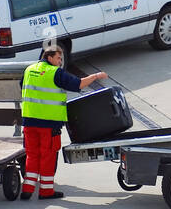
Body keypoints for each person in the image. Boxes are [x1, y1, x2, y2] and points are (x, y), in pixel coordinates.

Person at [19, 46, 107, 200]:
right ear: (50, 57)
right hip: (48, 124)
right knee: (48, 156)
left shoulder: (29, 69)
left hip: (29, 122)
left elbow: (22, 87)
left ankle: (27, 190)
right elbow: (77, 84)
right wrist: (95, 76)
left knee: (32, 156)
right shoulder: (55, 72)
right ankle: (46, 192)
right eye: (59, 58)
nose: (60, 62)